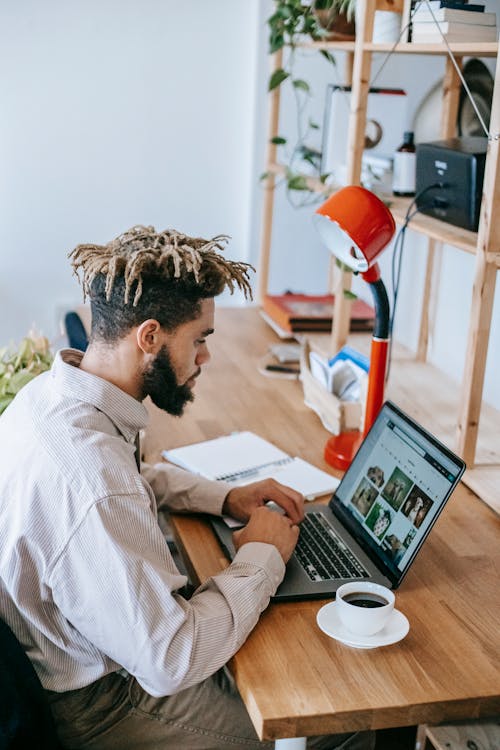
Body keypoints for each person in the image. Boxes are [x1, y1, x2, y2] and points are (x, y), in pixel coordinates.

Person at [0, 225, 374, 750]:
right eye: (199, 340)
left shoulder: (53, 394)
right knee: (337, 721)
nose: (205, 358)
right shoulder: (93, 481)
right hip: (102, 705)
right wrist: (261, 557)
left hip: (71, 648)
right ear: (149, 337)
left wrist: (222, 496)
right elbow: (170, 659)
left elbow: (127, 481)